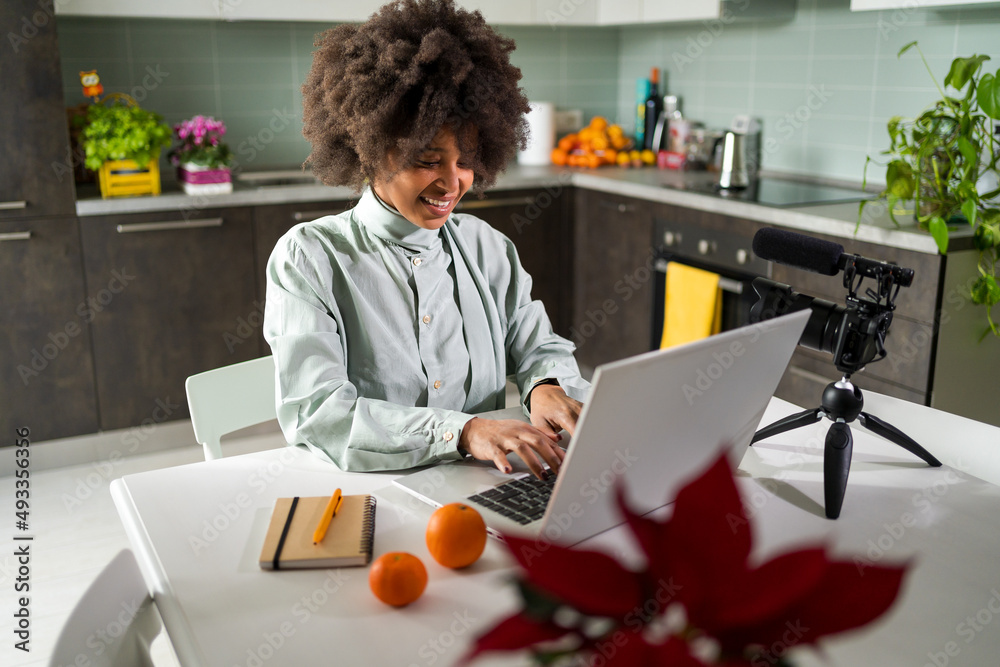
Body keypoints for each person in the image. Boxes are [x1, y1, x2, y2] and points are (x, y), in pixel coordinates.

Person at [263, 0, 589, 480]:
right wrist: (464, 432)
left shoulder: (488, 248)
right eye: (428, 161)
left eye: (466, 161)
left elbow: (539, 345)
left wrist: (545, 385)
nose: (453, 183)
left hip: (485, 483)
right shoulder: (309, 258)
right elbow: (319, 414)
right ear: (371, 149)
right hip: (371, 489)